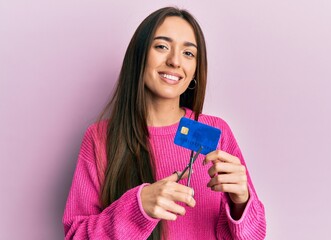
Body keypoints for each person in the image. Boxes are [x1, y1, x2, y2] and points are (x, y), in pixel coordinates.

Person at [63, 6, 266, 240]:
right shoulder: (100, 138)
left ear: (195, 71)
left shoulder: (217, 132)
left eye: (188, 53)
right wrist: (138, 208)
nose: (174, 61)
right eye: (162, 46)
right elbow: (75, 236)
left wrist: (242, 202)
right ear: (139, 56)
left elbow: (254, 236)